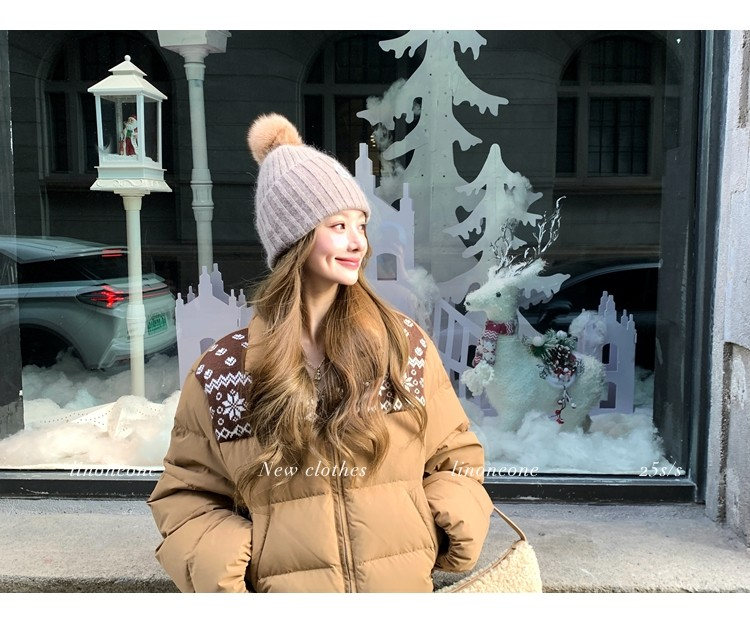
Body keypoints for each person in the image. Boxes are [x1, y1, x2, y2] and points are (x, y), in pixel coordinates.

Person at [148, 113, 493, 593]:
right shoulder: (226, 372)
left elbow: (454, 454)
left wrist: (445, 517)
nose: (358, 243)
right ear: (295, 238)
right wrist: (230, 558)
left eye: (361, 225)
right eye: (338, 225)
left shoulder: (402, 346)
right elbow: (187, 494)